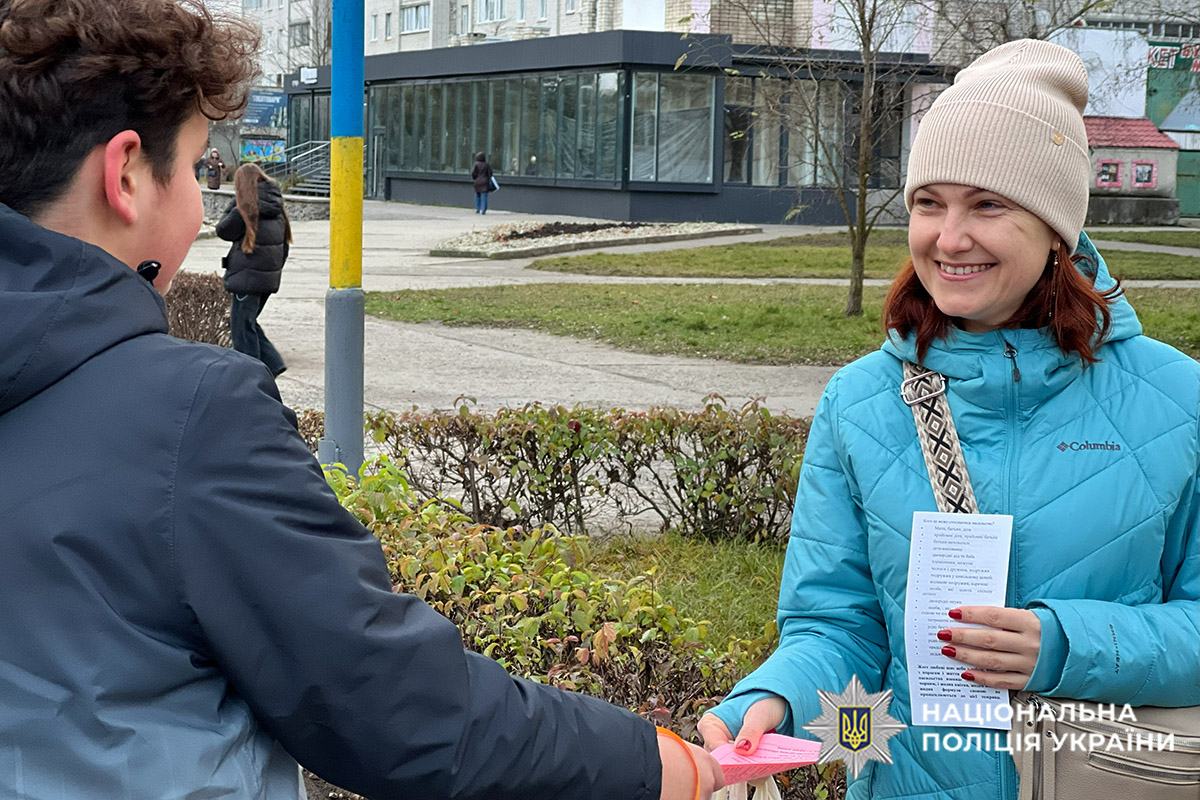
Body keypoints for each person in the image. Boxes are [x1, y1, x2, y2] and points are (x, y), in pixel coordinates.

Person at [0, 1, 723, 799]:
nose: (197, 202)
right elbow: (400, 711)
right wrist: (652, 762)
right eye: (198, 167)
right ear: (128, 174)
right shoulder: (188, 417)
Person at [699, 39, 1198, 800]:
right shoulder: (860, 403)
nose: (949, 238)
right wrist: (772, 700)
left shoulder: (1178, 399)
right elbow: (835, 624)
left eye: (987, 205)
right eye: (929, 203)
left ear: (1055, 229)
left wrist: (1066, 645)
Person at [217, 162, 290, 377]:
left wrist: (235, 204)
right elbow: (284, 245)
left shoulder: (247, 207)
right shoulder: (276, 206)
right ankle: (273, 364)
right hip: (267, 278)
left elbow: (224, 230)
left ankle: (248, 373)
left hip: (246, 276)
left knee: (241, 327)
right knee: (248, 322)